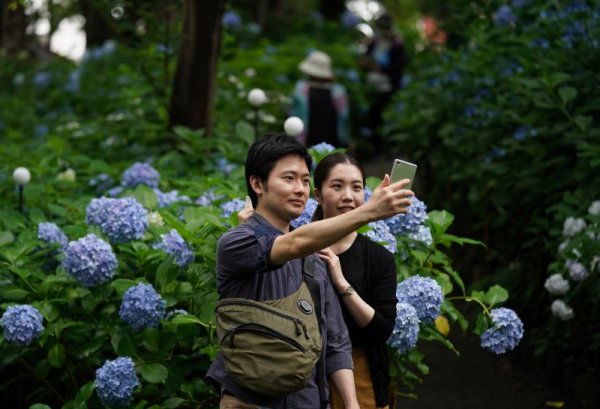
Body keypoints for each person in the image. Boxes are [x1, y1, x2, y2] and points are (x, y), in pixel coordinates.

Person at [207, 133, 413, 408]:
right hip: (249, 401)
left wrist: (351, 405)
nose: (300, 189)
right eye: (289, 178)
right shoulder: (236, 243)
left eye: (305, 180)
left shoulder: (316, 261)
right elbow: (293, 243)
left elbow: (337, 344)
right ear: (258, 183)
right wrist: (369, 211)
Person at [312, 153, 398, 409]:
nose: (348, 196)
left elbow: (381, 330)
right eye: (337, 186)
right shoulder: (298, 247)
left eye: (356, 187)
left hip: (362, 375)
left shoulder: (378, 258)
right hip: (304, 374)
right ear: (318, 194)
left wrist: (341, 283)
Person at [359, 14, 407, 151]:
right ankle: (375, 147)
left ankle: (386, 147)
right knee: (373, 117)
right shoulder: (374, 42)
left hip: (388, 87)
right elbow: (365, 59)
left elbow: (398, 68)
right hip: (372, 86)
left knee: (386, 118)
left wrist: (380, 68)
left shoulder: (397, 45)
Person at [290, 50, 350, 148]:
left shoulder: (301, 89)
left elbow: (294, 113)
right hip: (332, 142)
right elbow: (344, 118)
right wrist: (345, 140)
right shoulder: (338, 91)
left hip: (306, 141)